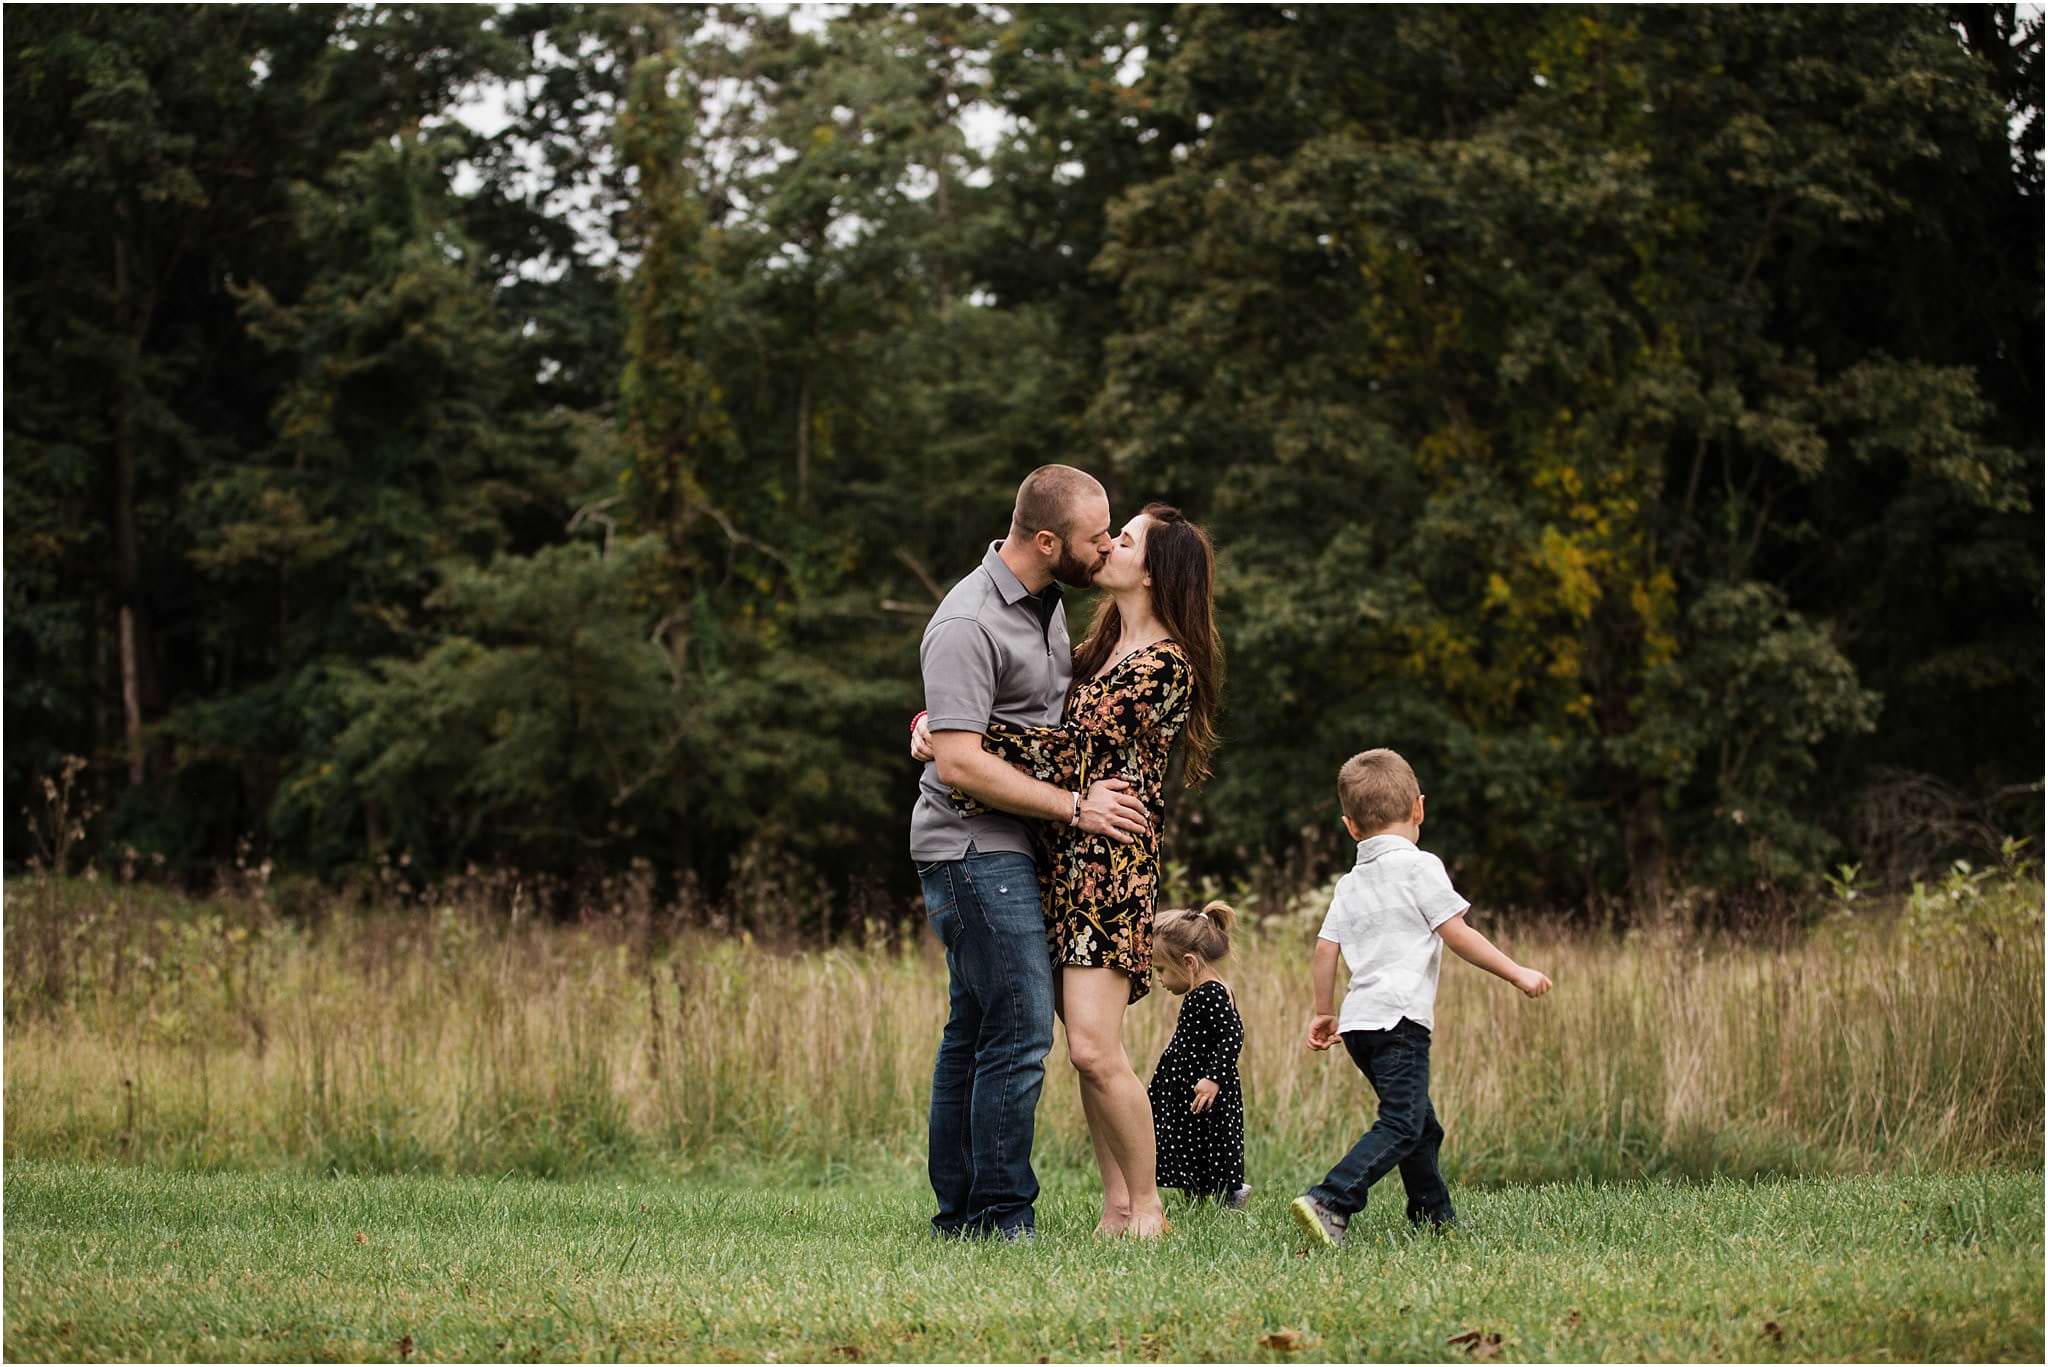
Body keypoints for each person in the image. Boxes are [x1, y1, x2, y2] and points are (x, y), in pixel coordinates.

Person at [914, 502, 1223, 1238]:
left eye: (1126, 539)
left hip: (1108, 864)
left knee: (1091, 1045)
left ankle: (1148, 1206)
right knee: (1089, 1049)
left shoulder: (1165, 663)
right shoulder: (1099, 642)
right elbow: (1037, 724)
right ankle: (1116, 1207)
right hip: (1061, 849)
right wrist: (943, 726)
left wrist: (951, 737)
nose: (1110, 545)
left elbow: (1066, 746)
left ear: (1154, 569)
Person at [1289, 748, 1553, 1249]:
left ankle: (1433, 1218)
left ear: (1349, 826)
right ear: (1419, 809)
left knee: (1421, 1127)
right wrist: (1516, 972)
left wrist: (1324, 1011)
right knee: (1402, 1122)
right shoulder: (1420, 866)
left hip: (1361, 1024)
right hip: (1400, 1020)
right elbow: (1456, 933)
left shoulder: (1351, 881)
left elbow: (1326, 948)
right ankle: (1331, 1199)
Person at [1148, 900, 1249, 1210]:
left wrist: (1213, 1078)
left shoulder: (1212, 993)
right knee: (1192, 1143)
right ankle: (1197, 1197)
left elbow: (1233, 1035)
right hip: (1190, 1086)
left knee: (1211, 1142)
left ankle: (1230, 1195)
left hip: (1205, 1089)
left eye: (1162, 970)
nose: (1160, 979)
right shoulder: (1199, 992)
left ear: (1189, 963)